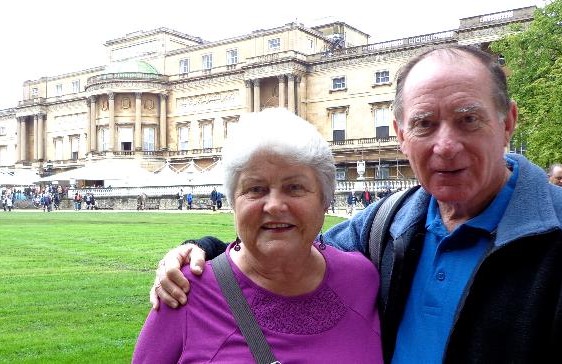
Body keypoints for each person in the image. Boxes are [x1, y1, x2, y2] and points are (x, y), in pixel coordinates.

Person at [149, 45, 562, 363]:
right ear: (401, 134)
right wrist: (203, 252)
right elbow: (289, 240)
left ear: (508, 122)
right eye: (424, 124)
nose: (446, 145)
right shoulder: (387, 224)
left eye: (468, 119)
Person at [133, 108, 382, 363]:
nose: (274, 205)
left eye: (294, 187)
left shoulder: (362, 279)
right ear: (233, 203)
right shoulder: (182, 293)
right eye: (255, 189)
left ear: (325, 200)